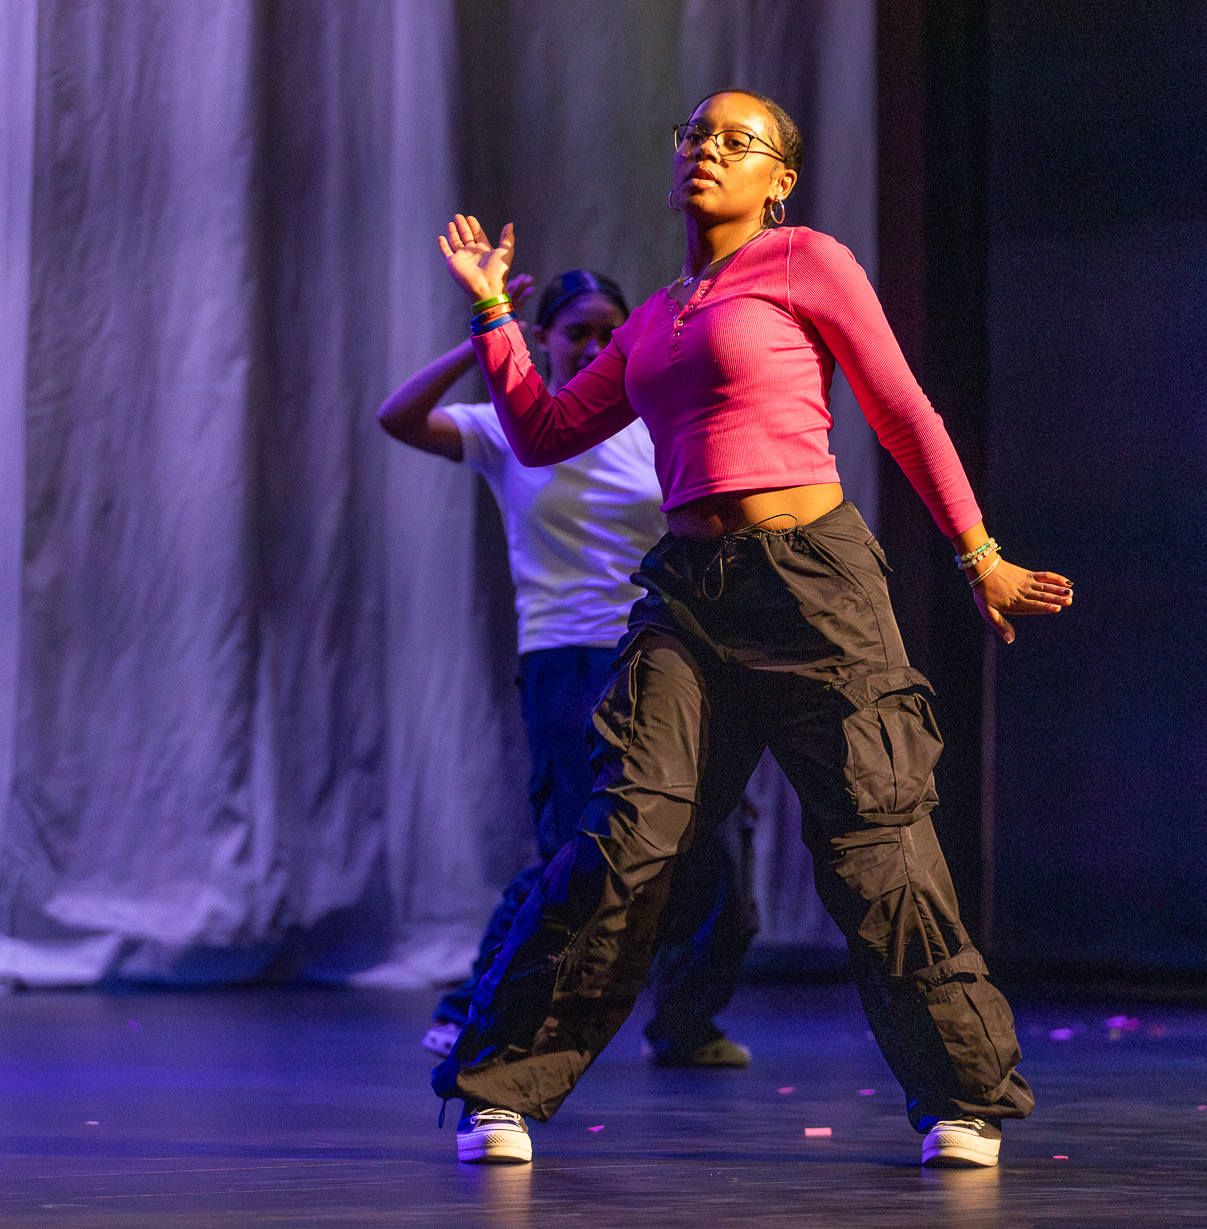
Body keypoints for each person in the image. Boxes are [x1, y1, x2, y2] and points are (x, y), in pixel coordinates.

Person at [431, 89, 1074, 1170]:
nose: (708, 151)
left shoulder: (806, 262)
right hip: (690, 591)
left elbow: (900, 408)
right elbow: (539, 434)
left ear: (777, 178)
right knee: (622, 836)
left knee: (875, 839)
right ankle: (504, 1091)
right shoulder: (650, 321)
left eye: (738, 141)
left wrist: (978, 555)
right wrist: (495, 314)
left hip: (813, 583)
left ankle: (962, 1100)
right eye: (694, 134)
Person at [378, 268, 759, 1072]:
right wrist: (486, 333)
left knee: (713, 845)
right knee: (573, 848)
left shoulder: (649, 423)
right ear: (544, 339)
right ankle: (469, 1006)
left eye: (607, 330)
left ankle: (685, 1021)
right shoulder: (509, 427)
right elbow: (397, 416)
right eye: (575, 330)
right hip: (565, 660)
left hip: (666, 647)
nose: (592, 344)